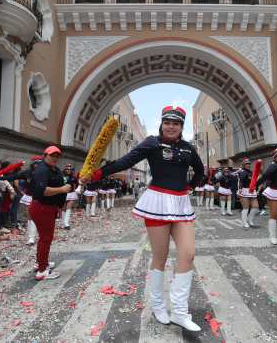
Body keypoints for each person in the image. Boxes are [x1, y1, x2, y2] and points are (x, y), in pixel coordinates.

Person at [82, 105, 204, 331]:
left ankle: (179, 311)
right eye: (167, 122)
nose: (171, 126)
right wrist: (97, 174)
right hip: (157, 201)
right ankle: (158, 306)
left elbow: (200, 171)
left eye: (176, 123)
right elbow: (125, 161)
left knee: (188, 254)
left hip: (181, 203)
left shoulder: (188, 148)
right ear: (162, 123)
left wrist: (190, 186)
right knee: (161, 256)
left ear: (181, 127)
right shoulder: (151, 142)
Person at [28, 146, 73, 281]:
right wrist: (62, 189)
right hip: (42, 207)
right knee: (46, 239)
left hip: (48, 207)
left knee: (44, 238)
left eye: (57, 156)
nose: (55, 158)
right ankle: (42, 271)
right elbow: (43, 191)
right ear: (45, 155)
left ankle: (41, 262)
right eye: (52, 155)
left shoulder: (53, 169)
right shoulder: (42, 170)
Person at [237, 158, 258, 228]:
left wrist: (255, 186)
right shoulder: (242, 172)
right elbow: (240, 181)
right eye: (246, 164)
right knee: (246, 207)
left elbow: (253, 181)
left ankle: (250, 220)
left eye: (249, 164)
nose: (248, 165)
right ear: (243, 165)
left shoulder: (251, 172)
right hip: (244, 190)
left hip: (252, 190)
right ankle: (244, 222)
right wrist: (239, 189)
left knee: (255, 206)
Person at [62, 164, 77, 229]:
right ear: (65, 170)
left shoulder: (73, 177)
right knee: (64, 208)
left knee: (69, 208)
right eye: (67, 169)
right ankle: (63, 222)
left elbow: (76, 184)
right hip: (63, 193)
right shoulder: (61, 176)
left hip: (71, 194)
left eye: (70, 169)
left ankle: (66, 223)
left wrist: (77, 189)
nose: (69, 170)